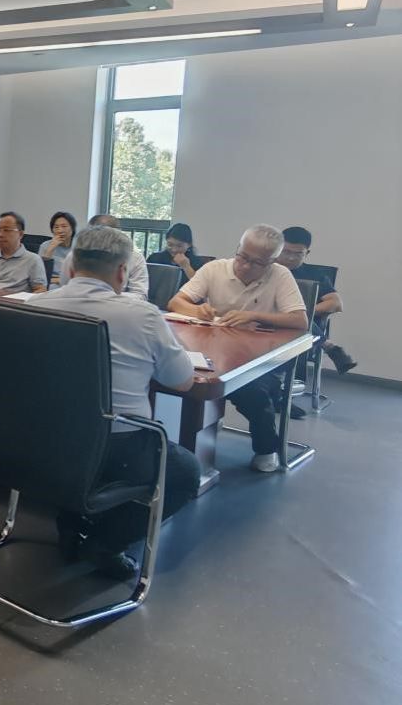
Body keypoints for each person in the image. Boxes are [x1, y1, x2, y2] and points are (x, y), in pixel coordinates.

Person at [29, 225, 200, 579]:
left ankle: (72, 525)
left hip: (44, 439)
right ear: (123, 272)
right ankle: (105, 542)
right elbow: (183, 381)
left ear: (71, 265)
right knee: (186, 473)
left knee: (75, 438)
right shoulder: (142, 315)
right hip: (118, 447)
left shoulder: (36, 305)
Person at [168, 224, 308, 473]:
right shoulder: (215, 269)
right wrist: (197, 310)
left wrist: (254, 316)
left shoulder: (280, 275)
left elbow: (299, 321)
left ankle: (266, 447)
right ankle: (190, 439)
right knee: (182, 378)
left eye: (257, 263)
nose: (245, 266)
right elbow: (176, 302)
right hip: (213, 349)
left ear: (272, 261)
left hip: (259, 357)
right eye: (242, 256)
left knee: (254, 392)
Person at [277, 226, 356, 374]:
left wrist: (299, 312)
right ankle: (329, 346)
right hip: (266, 321)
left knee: (298, 321)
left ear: (307, 253)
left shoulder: (314, 275)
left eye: (298, 253)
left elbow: (336, 303)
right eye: (286, 251)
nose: (291, 258)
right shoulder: (264, 270)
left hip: (298, 330)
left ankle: (293, 381)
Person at [60, 214, 149, 298]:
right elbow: (65, 285)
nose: (102, 242)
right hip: (77, 304)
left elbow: (140, 294)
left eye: (107, 237)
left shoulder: (135, 258)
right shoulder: (74, 255)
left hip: (117, 306)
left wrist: (104, 296)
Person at [40, 211, 77, 285]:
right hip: (52, 285)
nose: (60, 230)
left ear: (72, 228)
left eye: (64, 226)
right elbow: (40, 275)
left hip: (73, 284)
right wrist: (50, 250)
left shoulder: (80, 246)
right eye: (56, 227)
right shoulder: (45, 246)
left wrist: (59, 280)